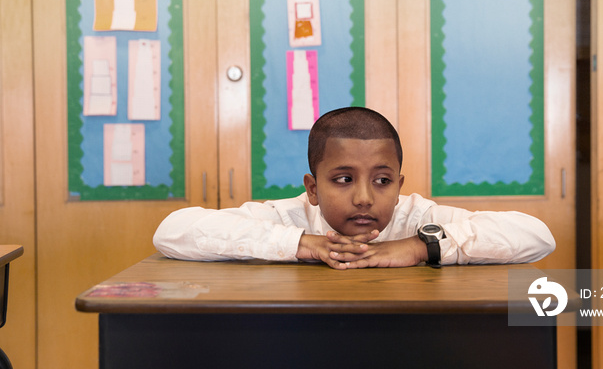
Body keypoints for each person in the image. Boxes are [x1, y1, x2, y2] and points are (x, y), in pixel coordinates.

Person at [153, 107, 555, 269]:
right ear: (312, 188)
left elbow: (537, 236)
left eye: (382, 181)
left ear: (399, 186)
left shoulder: (417, 217)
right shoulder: (289, 217)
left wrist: (420, 247)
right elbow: (172, 231)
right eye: (343, 179)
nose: (364, 197)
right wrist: (299, 244)